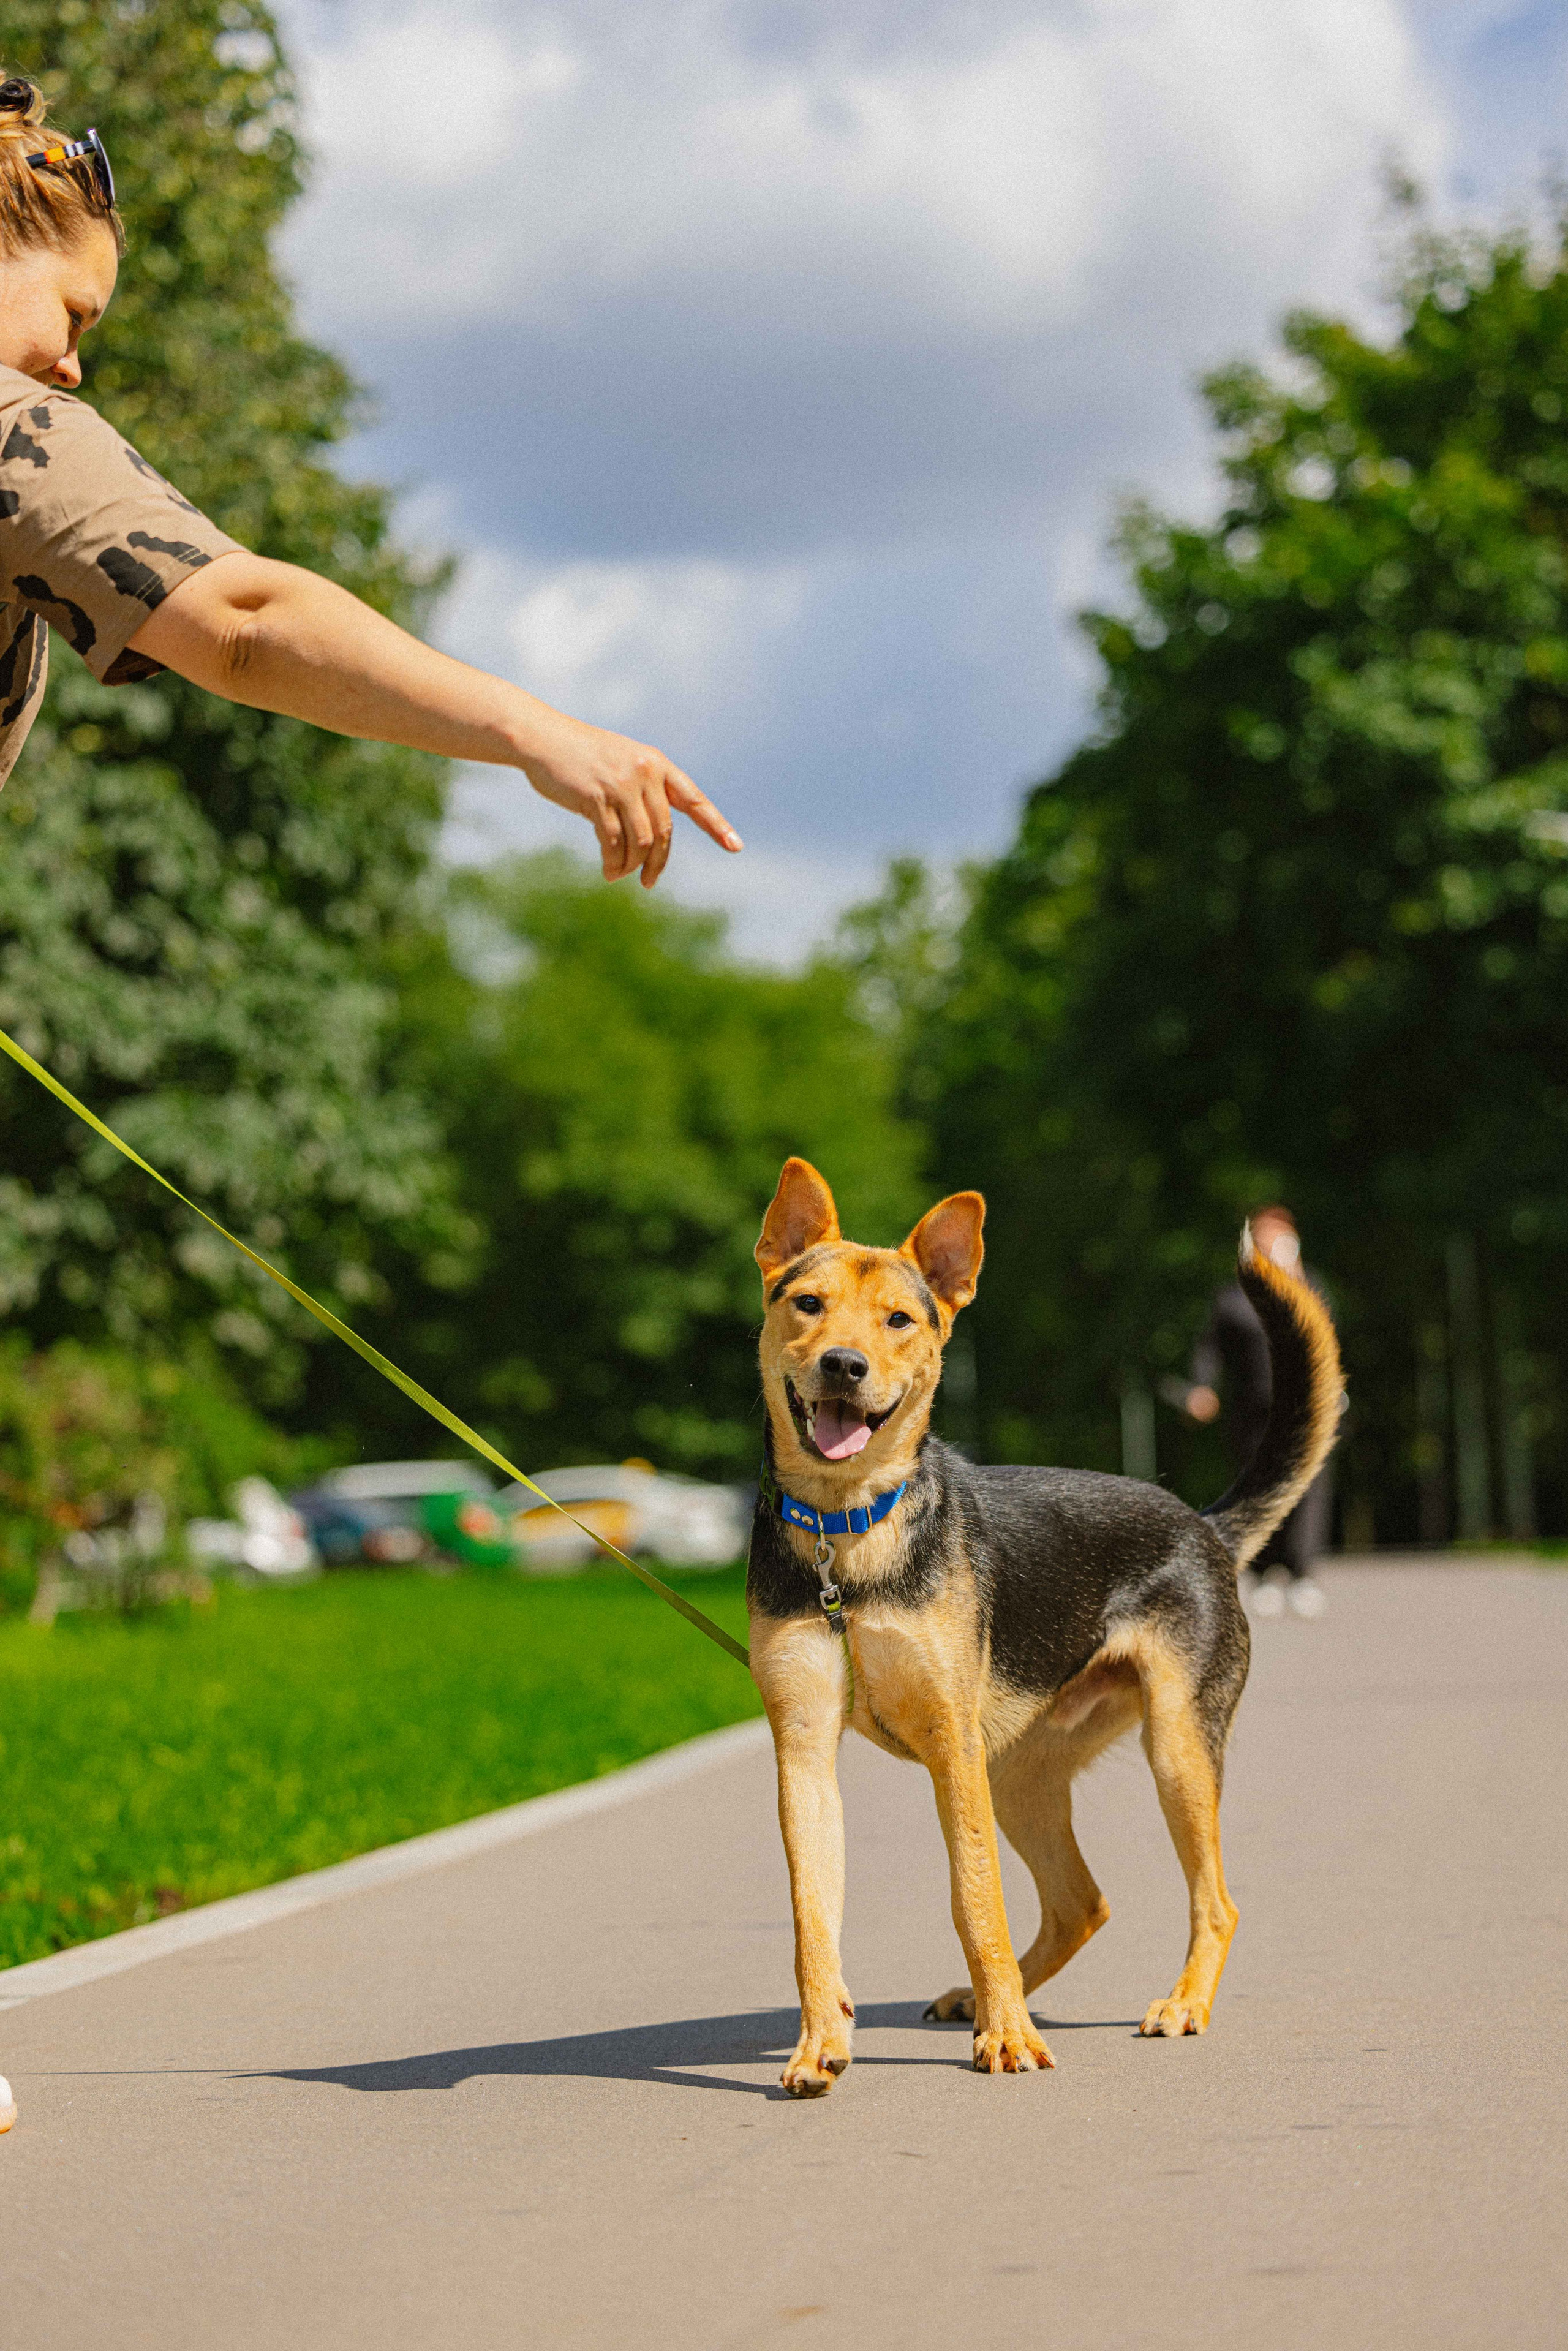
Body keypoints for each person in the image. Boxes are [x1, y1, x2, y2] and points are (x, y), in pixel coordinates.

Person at [0, 78, 740, 888]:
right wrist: (540, 733)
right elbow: (244, 625)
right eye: (75, 315)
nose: (72, 368)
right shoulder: (14, 425)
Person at [1184, 1206, 1333, 1619]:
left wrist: (1295, 1275)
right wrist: (1202, 1387)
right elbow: (1209, 1347)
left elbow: (1326, 1336)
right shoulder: (1233, 1296)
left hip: (1306, 1408)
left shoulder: (1308, 1285)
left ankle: (1302, 1574)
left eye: (1279, 1237)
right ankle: (1266, 1573)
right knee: (1258, 1487)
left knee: (1308, 1488)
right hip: (1252, 1410)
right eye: (1263, 1237)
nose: (1271, 1244)